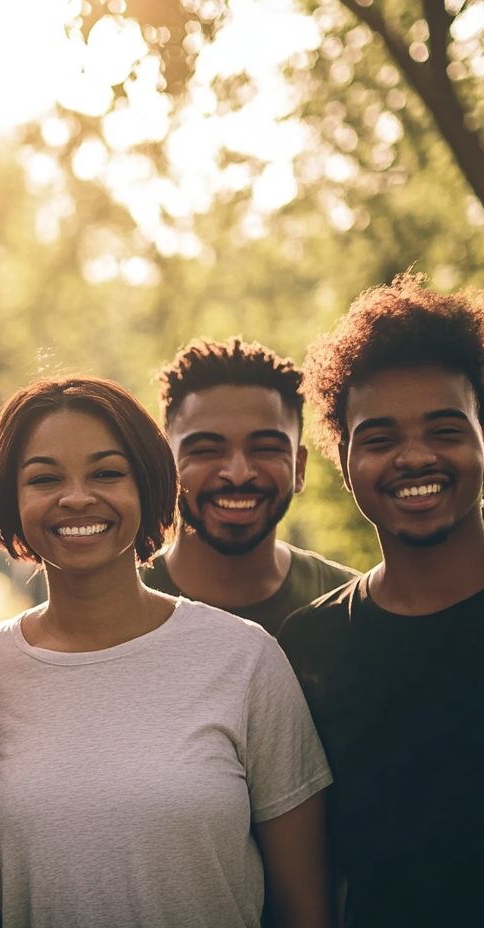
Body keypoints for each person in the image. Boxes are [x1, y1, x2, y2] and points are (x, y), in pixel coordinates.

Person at [0, 375, 333, 928]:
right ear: (10, 498)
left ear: (149, 484)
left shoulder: (246, 660)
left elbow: (307, 911)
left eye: (107, 473)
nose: (77, 496)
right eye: (44, 478)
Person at [281, 274, 484, 927]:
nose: (414, 457)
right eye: (380, 438)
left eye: (444, 429)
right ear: (344, 462)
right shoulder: (309, 649)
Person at [141, 337, 357, 634]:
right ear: (165, 466)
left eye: (265, 448)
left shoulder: (353, 612)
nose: (238, 474)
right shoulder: (113, 606)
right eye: (206, 450)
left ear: (299, 467)